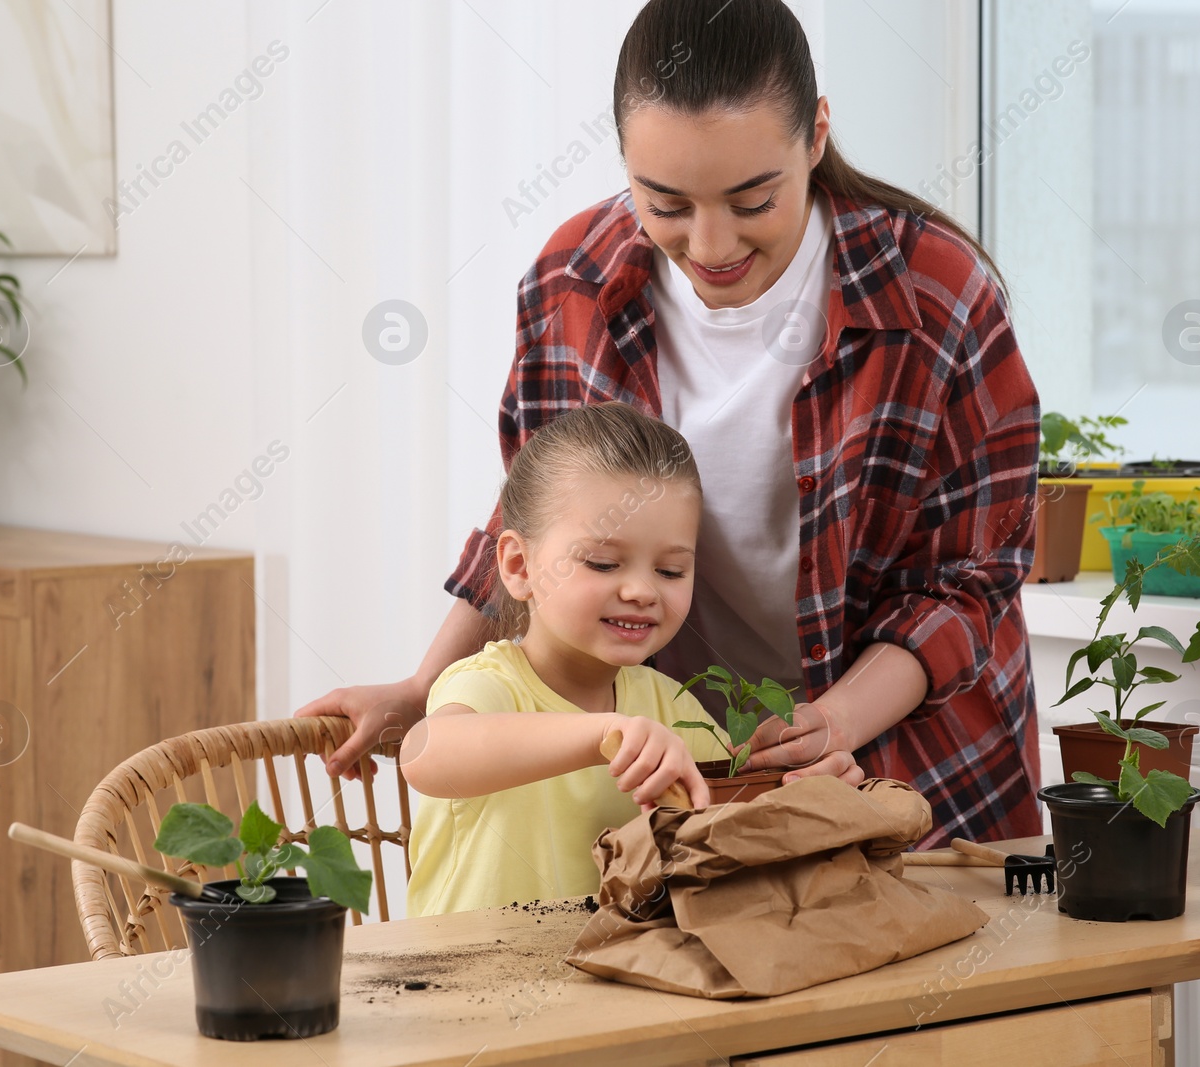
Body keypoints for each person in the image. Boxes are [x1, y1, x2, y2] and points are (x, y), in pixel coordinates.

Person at [299, 0, 1041, 846]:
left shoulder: (937, 297)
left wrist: (837, 720)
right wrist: (424, 684)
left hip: (918, 755)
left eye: (752, 199)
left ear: (817, 136)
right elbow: (539, 518)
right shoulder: (571, 284)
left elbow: (966, 581)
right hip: (680, 764)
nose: (711, 243)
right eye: (668, 203)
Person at [398, 402, 727, 915]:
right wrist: (601, 734)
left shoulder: (669, 705)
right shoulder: (491, 685)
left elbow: (732, 813)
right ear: (518, 565)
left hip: (609, 982)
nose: (642, 590)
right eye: (602, 562)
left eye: (670, 571)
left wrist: (794, 773)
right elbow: (426, 756)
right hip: (463, 982)